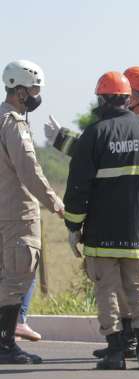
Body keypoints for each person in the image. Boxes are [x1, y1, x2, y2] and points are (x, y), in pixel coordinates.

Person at [44, 66, 139, 359]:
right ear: (127, 97)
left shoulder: (138, 130)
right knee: (136, 287)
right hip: (137, 226)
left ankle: (122, 345)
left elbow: (84, 175)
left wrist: (73, 226)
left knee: (109, 289)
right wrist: (61, 139)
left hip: (109, 226)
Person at [0, 60, 64, 363]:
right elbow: (28, 170)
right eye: (35, 89)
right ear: (22, 91)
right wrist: (54, 201)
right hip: (16, 214)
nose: (38, 95)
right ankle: (5, 345)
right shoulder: (13, 123)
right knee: (17, 278)